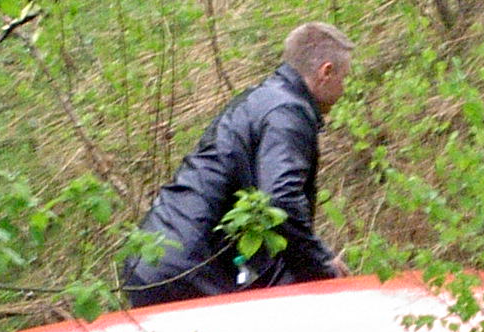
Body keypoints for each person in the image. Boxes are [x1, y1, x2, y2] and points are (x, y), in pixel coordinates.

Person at [118, 22, 352, 308]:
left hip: (155, 255)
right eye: (344, 78)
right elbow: (281, 202)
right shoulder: (287, 114)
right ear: (326, 72)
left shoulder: (261, 100)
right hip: (188, 268)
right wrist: (323, 268)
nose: (344, 89)